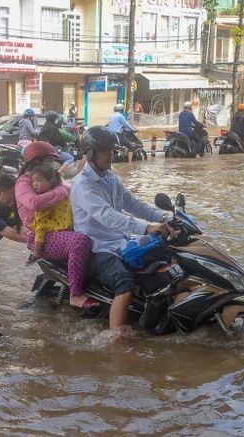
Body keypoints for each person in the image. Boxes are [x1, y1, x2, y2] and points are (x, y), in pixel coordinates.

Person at [70, 126, 175, 331]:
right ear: (91, 154)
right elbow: (108, 217)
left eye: (110, 149)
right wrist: (146, 227)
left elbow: (132, 203)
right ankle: (116, 341)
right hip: (97, 247)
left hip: (122, 241)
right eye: (105, 150)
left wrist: (162, 217)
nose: (111, 154)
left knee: (165, 259)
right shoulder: (83, 184)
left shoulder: (110, 177)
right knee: (125, 284)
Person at [15, 141, 95, 309]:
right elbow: (34, 202)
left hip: (58, 228)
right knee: (80, 242)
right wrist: (61, 191)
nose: (51, 164)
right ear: (38, 160)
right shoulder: (24, 182)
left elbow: (70, 188)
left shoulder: (50, 178)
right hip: (40, 234)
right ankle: (75, 294)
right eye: (48, 161)